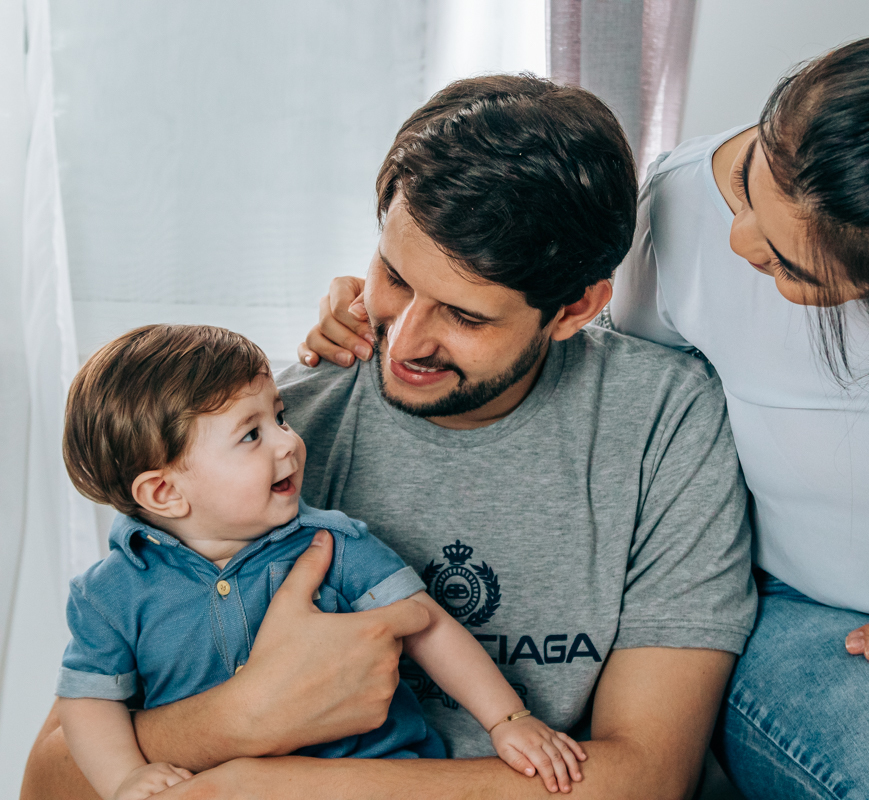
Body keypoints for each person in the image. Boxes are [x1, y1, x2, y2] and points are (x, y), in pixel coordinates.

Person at [305, 34, 869, 800]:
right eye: (747, 181)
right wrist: (378, 310)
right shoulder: (674, 210)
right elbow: (532, 330)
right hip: (809, 613)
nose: (735, 240)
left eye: (786, 266)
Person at [22, 75, 755, 800]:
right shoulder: (271, 435)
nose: (402, 343)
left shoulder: (660, 423)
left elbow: (645, 777)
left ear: (574, 309)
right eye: (395, 277)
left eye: (465, 316)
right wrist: (241, 718)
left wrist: (265, 784)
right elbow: (50, 783)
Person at [54, 324, 586, 800]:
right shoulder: (107, 595)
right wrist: (125, 778)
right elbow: (89, 704)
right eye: (252, 434)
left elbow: (427, 625)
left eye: (280, 417)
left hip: (374, 777)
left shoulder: (334, 542)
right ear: (165, 493)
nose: (288, 442)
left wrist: (507, 719)